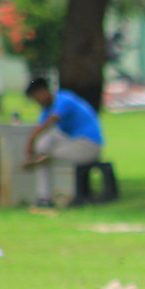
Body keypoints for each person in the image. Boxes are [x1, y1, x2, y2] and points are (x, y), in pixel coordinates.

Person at [22, 77, 104, 207]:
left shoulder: (64, 100)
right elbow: (42, 129)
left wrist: (31, 141)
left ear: (44, 91)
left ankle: (53, 192)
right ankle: (44, 196)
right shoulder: (46, 110)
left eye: (37, 98)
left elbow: (51, 121)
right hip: (73, 143)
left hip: (89, 145)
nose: (38, 103)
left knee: (44, 157)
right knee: (45, 143)